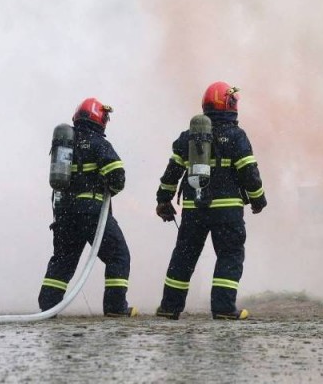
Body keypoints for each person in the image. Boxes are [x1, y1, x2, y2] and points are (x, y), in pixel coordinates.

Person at [154, 82, 267, 320]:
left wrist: (163, 200)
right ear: (230, 104)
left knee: (184, 256)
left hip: (194, 209)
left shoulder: (188, 137)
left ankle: (169, 307)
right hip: (227, 211)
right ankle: (223, 308)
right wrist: (258, 199)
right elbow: (249, 171)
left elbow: (171, 173)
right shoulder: (236, 136)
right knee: (229, 255)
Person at [38, 98, 136, 317]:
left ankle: (48, 307)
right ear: (99, 118)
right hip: (91, 212)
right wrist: (108, 187)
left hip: (64, 212)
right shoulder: (98, 143)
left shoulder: (65, 145)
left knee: (63, 260)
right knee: (118, 256)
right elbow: (118, 177)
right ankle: (115, 308)